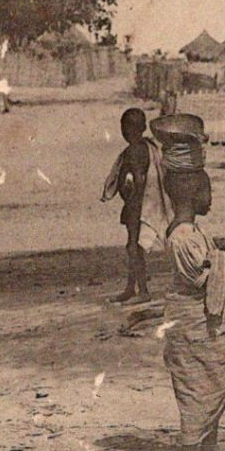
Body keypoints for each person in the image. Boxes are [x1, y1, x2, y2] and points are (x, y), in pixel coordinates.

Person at [149, 114, 225, 451]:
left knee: (215, 379)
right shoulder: (182, 237)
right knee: (196, 385)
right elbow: (201, 276)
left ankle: (210, 445)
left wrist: (222, 250)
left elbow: (206, 260)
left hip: (206, 325)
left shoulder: (192, 232)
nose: (212, 196)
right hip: (192, 324)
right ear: (192, 193)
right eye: (208, 190)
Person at [101, 107, 152, 304]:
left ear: (125, 129)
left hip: (136, 205)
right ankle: (132, 288)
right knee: (134, 246)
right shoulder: (146, 148)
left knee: (133, 246)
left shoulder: (133, 151)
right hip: (138, 204)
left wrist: (132, 197)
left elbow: (139, 178)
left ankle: (143, 291)